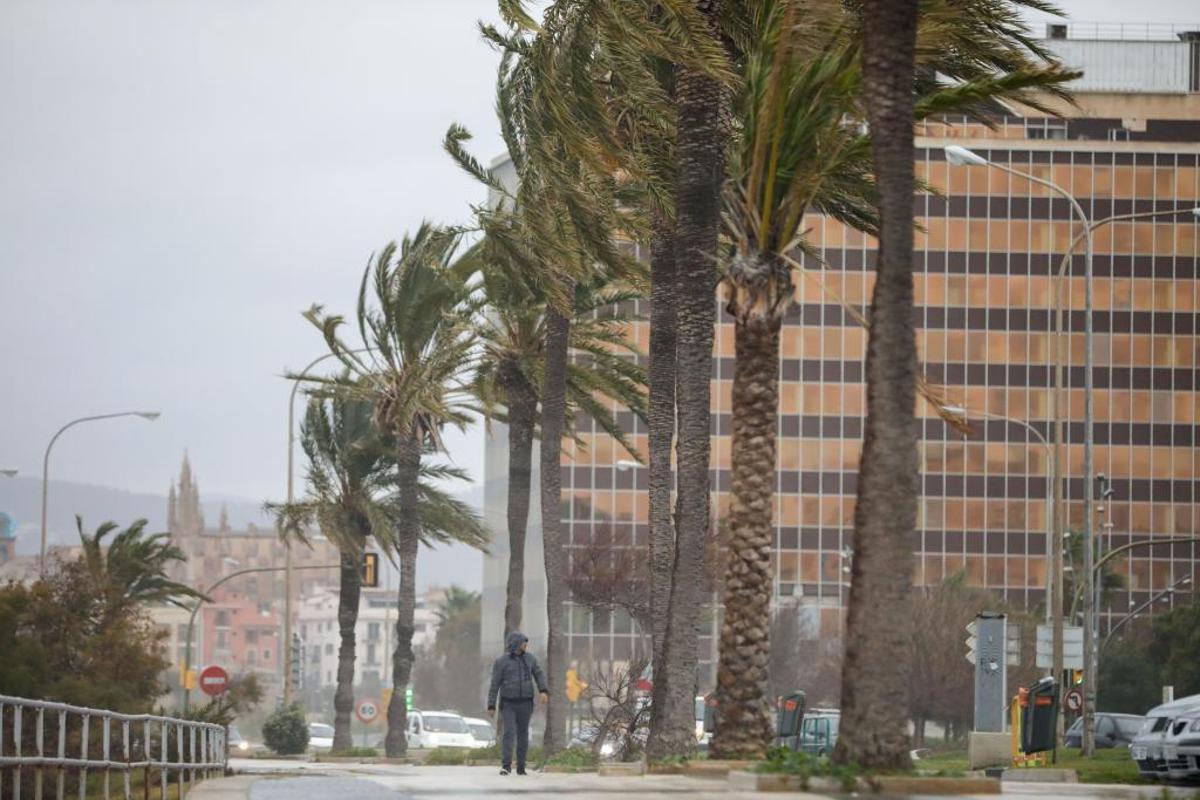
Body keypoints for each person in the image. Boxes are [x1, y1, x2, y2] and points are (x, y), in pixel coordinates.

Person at [487, 631, 548, 776]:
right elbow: (495, 684)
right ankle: (506, 766)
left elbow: (539, 674)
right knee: (509, 733)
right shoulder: (502, 662)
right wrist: (491, 705)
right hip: (508, 703)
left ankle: (521, 766)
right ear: (516, 644)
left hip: (526, 703)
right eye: (523, 642)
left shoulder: (530, 659)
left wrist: (543, 690)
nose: (526, 645)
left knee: (523, 734)